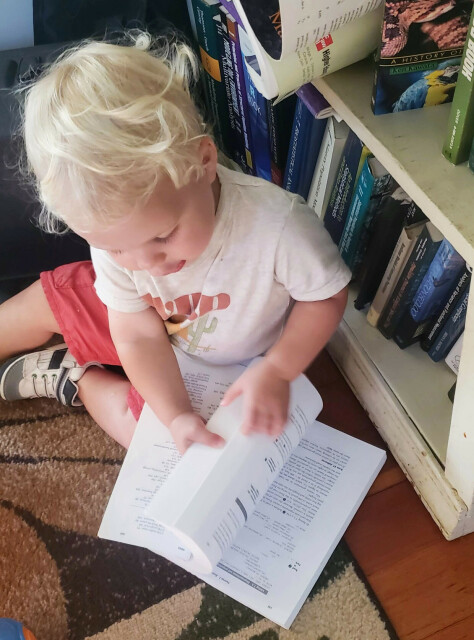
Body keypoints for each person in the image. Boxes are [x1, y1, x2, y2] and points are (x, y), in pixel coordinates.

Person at [0, 33, 350, 454]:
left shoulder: (278, 226)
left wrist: (278, 370)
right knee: (59, 297)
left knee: (149, 437)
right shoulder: (127, 247)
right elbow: (136, 335)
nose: (147, 263)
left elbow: (325, 296)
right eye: (115, 248)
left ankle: (75, 375)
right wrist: (175, 411)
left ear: (203, 162)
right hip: (147, 335)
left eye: (163, 236)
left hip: (227, 368)